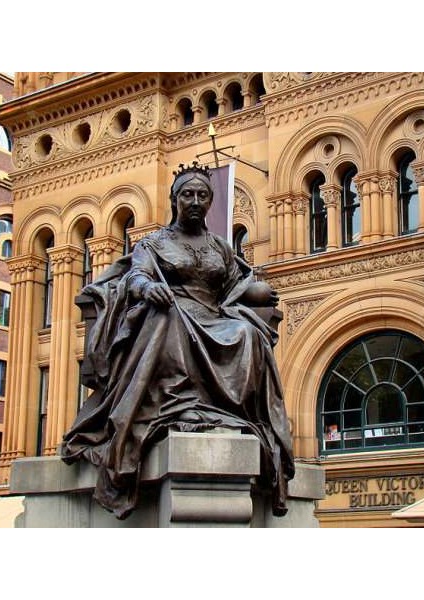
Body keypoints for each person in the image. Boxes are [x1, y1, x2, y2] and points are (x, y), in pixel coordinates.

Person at [61, 162, 295, 519]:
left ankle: (223, 411)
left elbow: (236, 284)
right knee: (169, 317)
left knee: (249, 334)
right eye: (188, 194)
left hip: (216, 318)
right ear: (175, 200)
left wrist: (260, 291)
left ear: (210, 200)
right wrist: (148, 287)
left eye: (202, 195)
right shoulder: (154, 243)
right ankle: (176, 402)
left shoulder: (220, 246)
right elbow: (135, 276)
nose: (195, 201)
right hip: (171, 312)